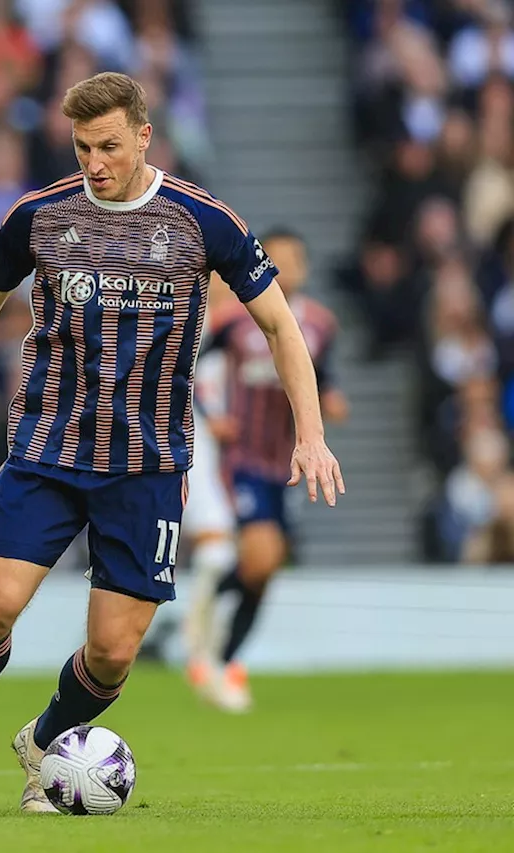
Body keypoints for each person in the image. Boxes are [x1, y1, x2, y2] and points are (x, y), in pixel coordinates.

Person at [0, 73, 344, 815]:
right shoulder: (39, 214)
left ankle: (45, 739)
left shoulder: (202, 220)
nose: (96, 161)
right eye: (84, 146)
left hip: (148, 466)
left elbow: (282, 327)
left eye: (111, 146)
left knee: (113, 653)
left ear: (145, 136)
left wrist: (310, 435)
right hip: (47, 451)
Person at [188, 228, 349, 712]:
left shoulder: (321, 324)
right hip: (241, 459)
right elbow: (187, 367)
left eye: (293, 260)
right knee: (261, 556)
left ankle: (218, 641)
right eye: (274, 260)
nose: (285, 269)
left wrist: (331, 402)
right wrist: (212, 415)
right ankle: (219, 654)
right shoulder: (235, 321)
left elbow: (327, 380)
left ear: (305, 267)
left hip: (290, 460)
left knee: (266, 566)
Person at [180, 274, 240, 695]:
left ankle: (206, 648)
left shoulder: (239, 330)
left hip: (230, 452)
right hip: (192, 440)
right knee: (218, 548)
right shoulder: (195, 323)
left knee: (226, 550)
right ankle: (201, 649)